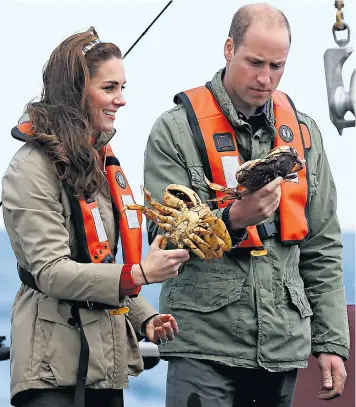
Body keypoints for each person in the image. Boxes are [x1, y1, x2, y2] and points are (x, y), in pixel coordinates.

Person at [144, 4, 349, 407]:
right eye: (254, 61)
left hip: (282, 348)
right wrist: (234, 219)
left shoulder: (304, 133)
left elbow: (322, 246)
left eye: (277, 65)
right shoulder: (175, 129)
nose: (265, 77)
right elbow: (162, 239)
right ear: (228, 49)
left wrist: (330, 343)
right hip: (204, 344)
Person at [1, 27, 190, 407]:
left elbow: (98, 264)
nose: (121, 100)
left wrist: (144, 319)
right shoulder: (29, 170)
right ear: (74, 92)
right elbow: (51, 272)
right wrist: (141, 274)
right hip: (50, 373)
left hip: (104, 368)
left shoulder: (98, 164)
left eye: (123, 87)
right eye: (109, 88)